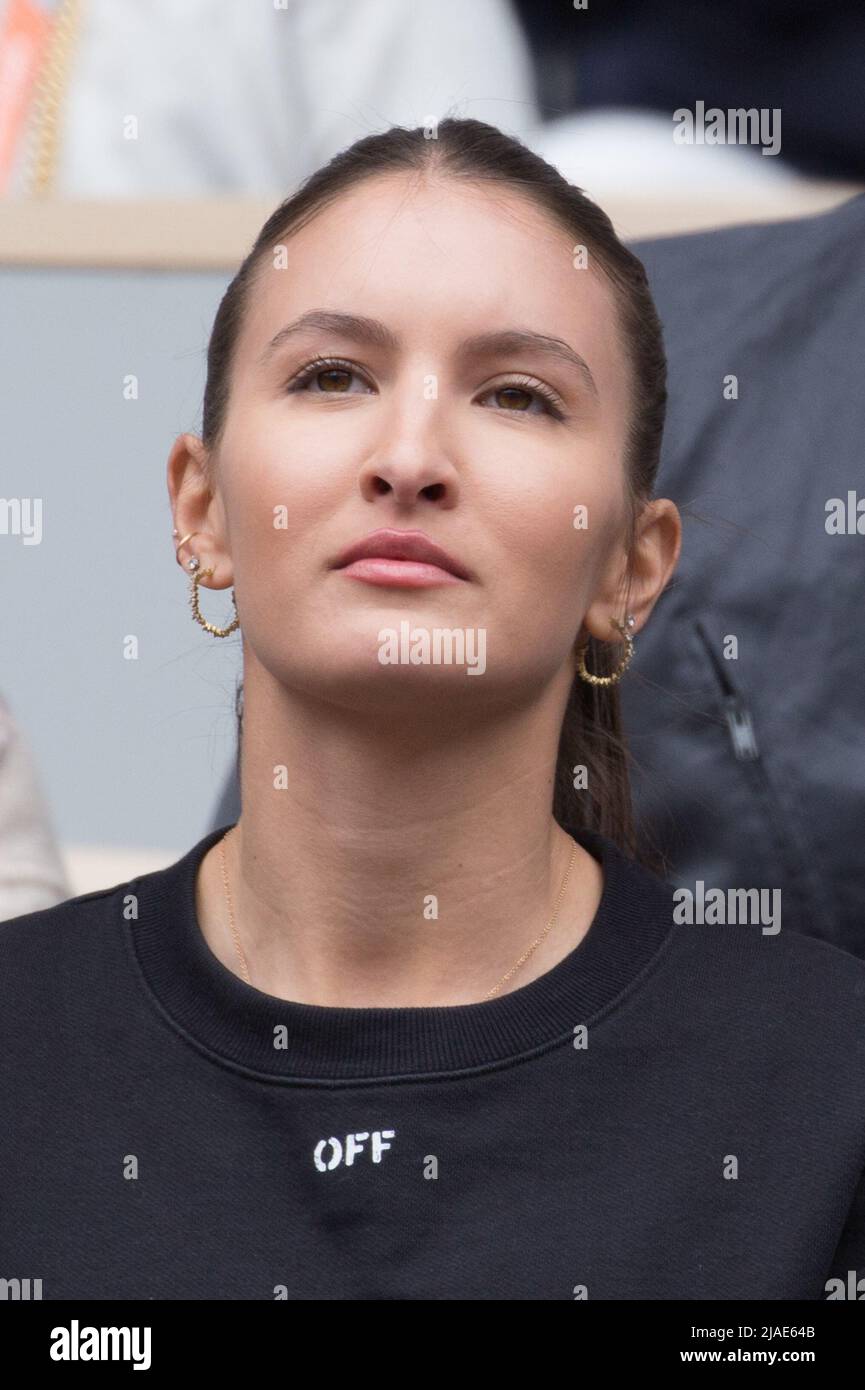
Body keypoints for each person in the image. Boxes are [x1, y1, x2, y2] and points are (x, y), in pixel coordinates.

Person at [1, 118, 863, 1301]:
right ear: (201, 509)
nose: (409, 457)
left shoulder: (828, 1087)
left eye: (515, 395)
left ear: (631, 567)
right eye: (332, 376)